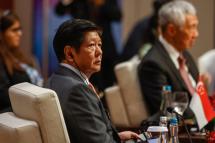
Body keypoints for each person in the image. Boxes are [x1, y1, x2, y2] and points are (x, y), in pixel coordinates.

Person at [46, 19, 140, 143]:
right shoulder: (77, 90)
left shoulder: (55, 79)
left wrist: (117, 137)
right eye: (91, 45)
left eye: (99, 45)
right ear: (69, 53)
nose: (99, 52)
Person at [138, 0, 199, 119]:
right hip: (182, 132)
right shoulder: (152, 64)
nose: (196, 34)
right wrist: (205, 116)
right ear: (171, 30)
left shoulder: (183, 53)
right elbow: (171, 110)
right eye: (192, 27)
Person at [0, 10, 43, 113]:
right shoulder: (1, 59)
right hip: (21, 111)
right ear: (2, 34)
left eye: (20, 29)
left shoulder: (20, 56)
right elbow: (3, 95)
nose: (20, 33)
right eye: (14, 30)